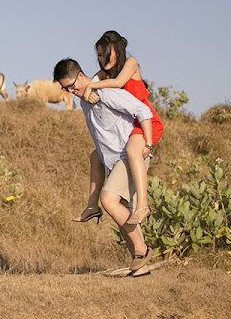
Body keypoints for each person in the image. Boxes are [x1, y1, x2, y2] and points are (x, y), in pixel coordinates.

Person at [54, 57, 154, 274]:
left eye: (72, 85)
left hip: (130, 156)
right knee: (122, 214)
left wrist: (147, 144)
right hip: (114, 160)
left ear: (81, 76)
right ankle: (140, 269)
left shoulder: (106, 93)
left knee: (108, 200)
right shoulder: (84, 101)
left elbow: (142, 110)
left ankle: (142, 250)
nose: (71, 91)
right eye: (65, 89)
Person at [73, 31, 163, 225]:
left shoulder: (130, 63)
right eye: (98, 55)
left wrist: (91, 88)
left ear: (118, 50)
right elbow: (93, 82)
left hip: (146, 120)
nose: (103, 59)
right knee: (96, 155)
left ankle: (143, 205)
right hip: (132, 123)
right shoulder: (104, 74)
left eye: (107, 53)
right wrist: (86, 89)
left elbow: (118, 83)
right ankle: (92, 205)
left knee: (132, 150)